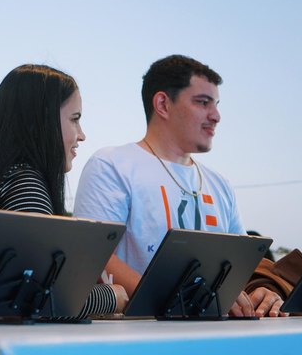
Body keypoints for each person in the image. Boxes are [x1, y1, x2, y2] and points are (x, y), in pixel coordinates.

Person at [74, 54, 284, 318]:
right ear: (163, 104)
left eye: (216, 104)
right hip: (138, 336)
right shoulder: (112, 165)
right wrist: (175, 301)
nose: (216, 115)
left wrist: (261, 290)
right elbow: (94, 256)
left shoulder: (220, 184)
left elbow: (240, 266)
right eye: (203, 102)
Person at [0, 64, 128, 318]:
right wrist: (113, 296)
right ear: (41, 120)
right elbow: (39, 298)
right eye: (75, 119)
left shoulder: (6, 176)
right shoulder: (25, 183)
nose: (81, 135)